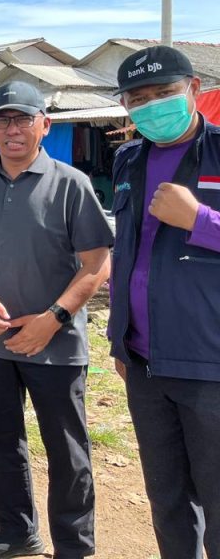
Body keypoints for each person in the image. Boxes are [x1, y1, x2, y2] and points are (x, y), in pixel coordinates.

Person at [0, 80, 113, 559]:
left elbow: (97, 264)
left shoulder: (71, 183)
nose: (12, 129)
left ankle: (74, 547)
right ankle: (15, 531)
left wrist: (53, 319)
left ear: (45, 125)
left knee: (66, 448)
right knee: (1, 439)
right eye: (2, 120)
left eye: (22, 119)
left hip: (54, 343)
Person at [108, 45, 220, 559]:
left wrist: (200, 219)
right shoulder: (127, 158)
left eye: (164, 92)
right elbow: (127, 251)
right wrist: (119, 338)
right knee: (168, 498)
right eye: (138, 98)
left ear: (194, 88)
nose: (152, 105)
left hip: (209, 362)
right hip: (145, 362)